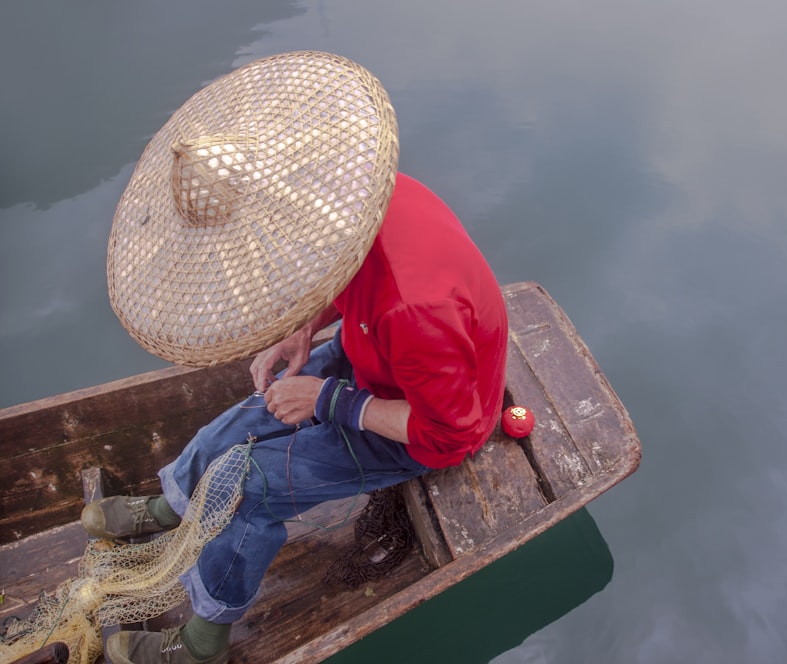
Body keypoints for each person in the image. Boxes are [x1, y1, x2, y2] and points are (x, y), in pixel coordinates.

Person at [86, 52, 508, 664]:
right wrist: (303, 332)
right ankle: (170, 504)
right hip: (380, 357)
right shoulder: (346, 210)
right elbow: (340, 272)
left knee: (247, 486)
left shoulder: (414, 311)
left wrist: (326, 399)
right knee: (248, 414)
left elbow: (450, 431)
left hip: (423, 418)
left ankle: (203, 642)